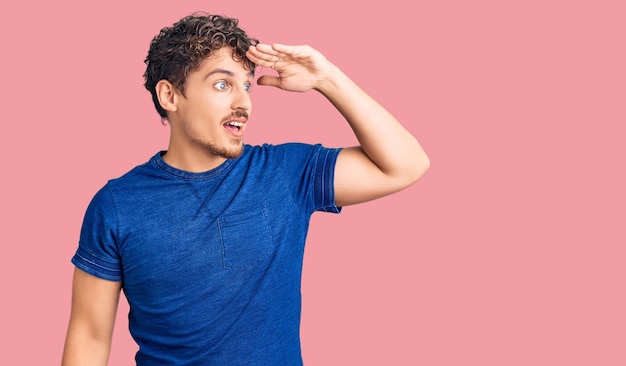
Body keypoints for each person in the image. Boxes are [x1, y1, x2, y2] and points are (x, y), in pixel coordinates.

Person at [61, 12, 430, 366]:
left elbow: (405, 165)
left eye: (246, 86)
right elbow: (90, 336)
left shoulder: (286, 173)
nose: (244, 103)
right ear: (170, 96)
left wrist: (327, 79)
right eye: (223, 85)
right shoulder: (116, 205)